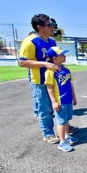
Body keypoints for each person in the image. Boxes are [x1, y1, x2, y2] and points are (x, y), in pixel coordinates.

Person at [19, 14, 60, 144]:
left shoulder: (52, 41)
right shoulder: (30, 42)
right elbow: (22, 62)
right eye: (49, 25)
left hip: (53, 79)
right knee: (45, 108)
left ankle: (64, 127)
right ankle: (48, 133)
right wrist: (45, 64)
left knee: (59, 105)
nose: (52, 27)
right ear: (39, 27)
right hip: (40, 81)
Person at [45, 46, 78, 152]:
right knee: (61, 121)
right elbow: (49, 88)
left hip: (68, 99)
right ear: (54, 58)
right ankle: (62, 142)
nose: (65, 56)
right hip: (60, 101)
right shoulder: (50, 71)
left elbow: (71, 84)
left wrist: (74, 96)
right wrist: (54, 102)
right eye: (62, 55)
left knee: (67, 119)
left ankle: (67, 136)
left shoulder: (66, 69)